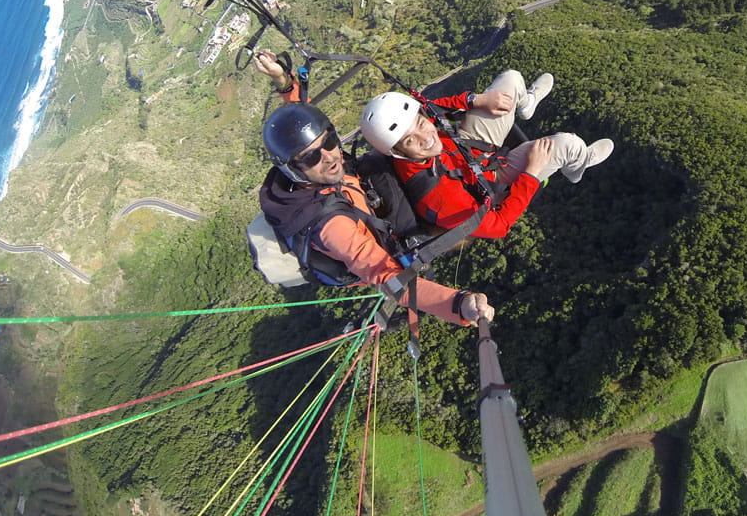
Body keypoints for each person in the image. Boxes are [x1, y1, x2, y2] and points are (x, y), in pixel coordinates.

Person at [258, 95, 494, 327]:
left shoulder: (322, 169)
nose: (329, 157)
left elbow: (297, 121)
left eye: (329, 142)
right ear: (292, 170)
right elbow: (386, 276)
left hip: (370, 205)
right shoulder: (332, 227)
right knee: (465, 229)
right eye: (311, 157)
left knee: (384, 157)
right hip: (385, 245)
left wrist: (286, 84)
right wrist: (458, 304)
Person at [359, 69, 614, 239]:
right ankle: (578, 165)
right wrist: (531, 174)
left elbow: (434, 108)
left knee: (512, 79)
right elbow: (498, 226)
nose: (426, 138)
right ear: (398, 152)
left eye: (421, 124)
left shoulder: (416, 126)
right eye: (410, 140)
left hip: (469, 147)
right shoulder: (439, 198)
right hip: (489, 180)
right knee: (567, 144)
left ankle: (526, 104)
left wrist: (476, 100)